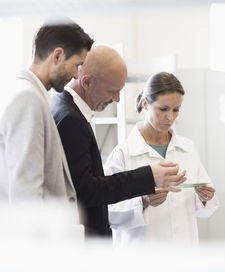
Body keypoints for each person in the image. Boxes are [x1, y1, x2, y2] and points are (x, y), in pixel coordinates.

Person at [51, 45, 186, 238]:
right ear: (87, 82)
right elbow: (86, 190)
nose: (117, 99)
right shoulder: (70, 118)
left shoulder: (68, 109)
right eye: (113, 91)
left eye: (176, 110)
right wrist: (148, 176)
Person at [0, 18, 94, 231]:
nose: (75, 75)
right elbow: (28, 195)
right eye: (77, 65)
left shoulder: (24, 93)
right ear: (57, 55)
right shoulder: (27, 99)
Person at [105, 72, 219, 246]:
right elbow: (108, 213)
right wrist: (143, 202)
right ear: (145, 104)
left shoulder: (187, 148)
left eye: (176, 110)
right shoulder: (123, 154)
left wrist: (205, 197)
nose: (170, 117)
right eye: (163, 109)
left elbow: (205, 209)